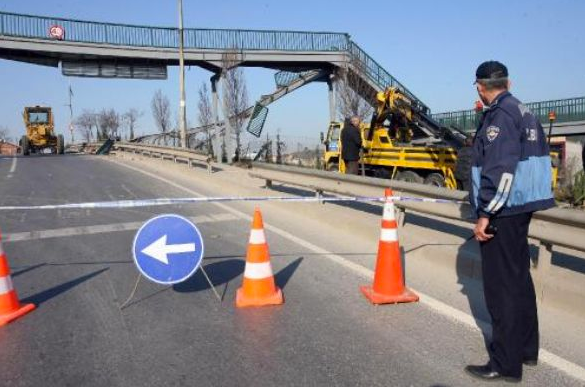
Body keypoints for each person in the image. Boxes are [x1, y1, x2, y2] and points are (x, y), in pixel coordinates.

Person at [465, 61, 555, 382]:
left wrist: (486, 213)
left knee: (500, 289)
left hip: (504, 209)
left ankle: (505, 363)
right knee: (519, 281)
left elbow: (501, 171)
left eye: (477, 86)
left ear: (480, 86)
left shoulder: (499, 117)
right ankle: (526, 350)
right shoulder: (522, 110)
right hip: (523, 206)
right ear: (508, 82)